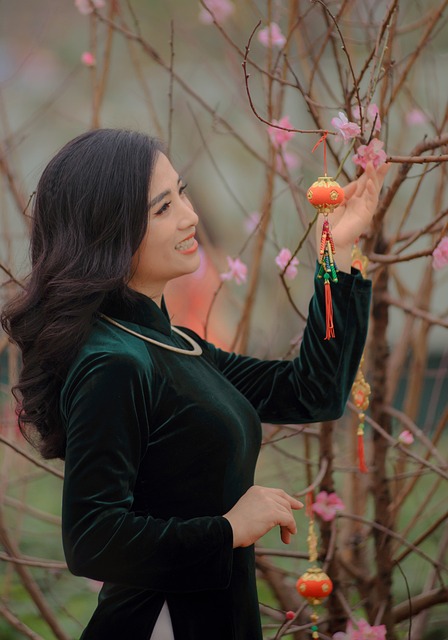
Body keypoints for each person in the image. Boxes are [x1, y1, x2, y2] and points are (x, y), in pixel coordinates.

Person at [2, 128, 388, 640]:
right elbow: (93, 539)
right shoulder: (114, 363)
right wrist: (230, 528)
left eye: (181, 193)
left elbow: (312, 389)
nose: (190, 216)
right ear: (108, 231)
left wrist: (334, 256)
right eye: (162, 208)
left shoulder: (177, 346)